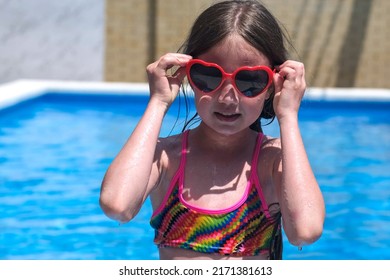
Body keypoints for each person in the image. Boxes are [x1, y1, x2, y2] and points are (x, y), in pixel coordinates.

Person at [100, 0, 325, 260]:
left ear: (273, 85)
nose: (228, 98)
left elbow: (305, 231)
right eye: (209, 76)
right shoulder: (165, 158)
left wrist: (288, 116)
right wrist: (158, 102)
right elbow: (117, 205)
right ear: (188, 74)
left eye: (250, 80)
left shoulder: (271, 161)